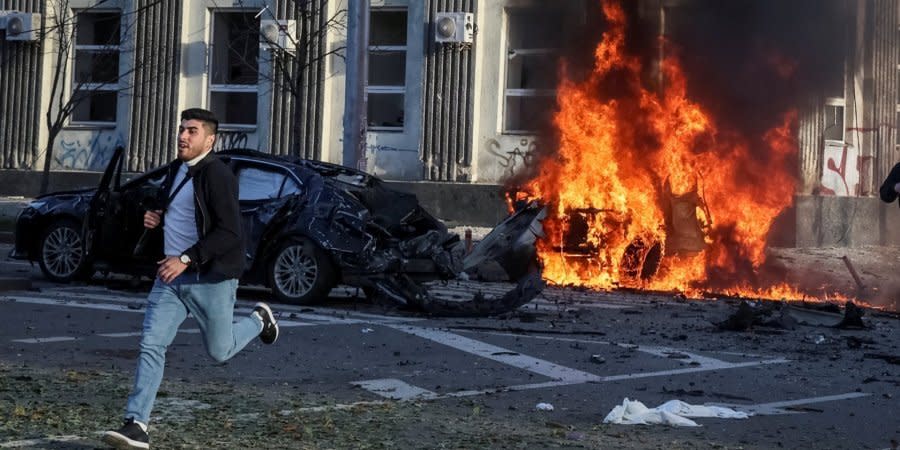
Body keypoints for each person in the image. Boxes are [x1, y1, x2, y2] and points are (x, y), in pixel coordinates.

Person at [102, 108, 279, 450]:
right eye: (182, 129)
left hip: (209, 279)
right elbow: (179, 212)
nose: (183, 136)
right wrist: (156, 216)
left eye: (192, 131)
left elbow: (229, 233)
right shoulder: (176, 170)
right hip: (170, 279)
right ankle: (137, 423)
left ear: (209, 140)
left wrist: (186, 259)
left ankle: (259, 319)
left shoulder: (219, 176)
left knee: (220, 351)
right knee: (151, 345)